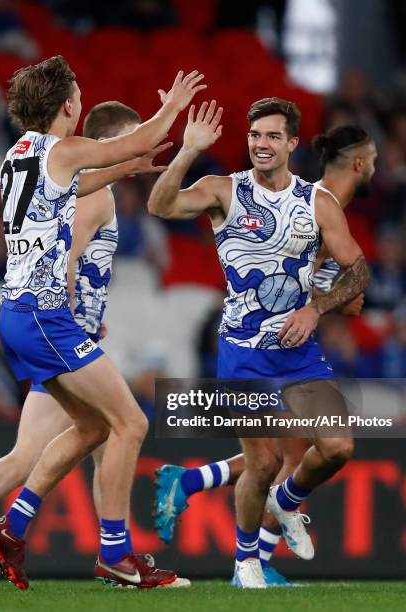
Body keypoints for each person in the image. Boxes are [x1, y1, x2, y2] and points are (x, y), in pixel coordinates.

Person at [0, 61, 203, 589]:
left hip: (20, 316)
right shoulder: (60, 150)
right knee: (130, 423)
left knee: (84, 431)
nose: (82, 104)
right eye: (79, 96)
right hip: (47, 319)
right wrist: (174, 110)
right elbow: (117, 153)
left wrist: (129, 164)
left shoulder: (16, 156)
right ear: (66, 105)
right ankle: (92, 549)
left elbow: (82, 183)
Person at [147, 98, 370, 588]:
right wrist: (186, 151)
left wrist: (317, 309)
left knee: (337, 446)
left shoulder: (317, 202)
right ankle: (246, 562)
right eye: (254, 136)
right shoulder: (223, 190)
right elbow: (160, 205)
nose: (261, 145)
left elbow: (358, 271)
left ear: (292, 143)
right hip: (242, 349)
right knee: (263, 460)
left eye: (272, 136)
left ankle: (286, 502)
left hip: (298, 351)